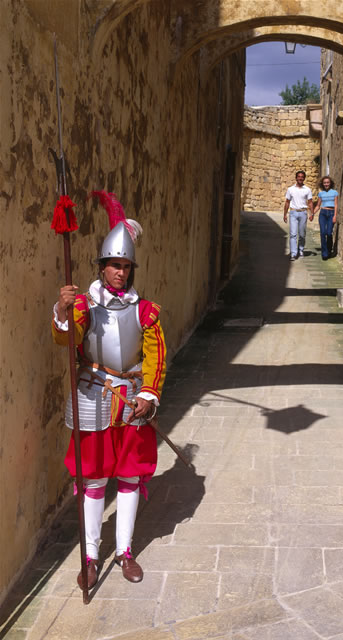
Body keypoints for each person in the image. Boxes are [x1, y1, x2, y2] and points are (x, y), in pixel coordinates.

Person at [52, 191, 166, 587]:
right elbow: (68, 340)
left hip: (131, 399)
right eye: (113, 266)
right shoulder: (84, 305)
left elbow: (156, 358)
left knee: (132, 476)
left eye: (125, 266)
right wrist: (64, 312)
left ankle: (125, 551)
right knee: (95, 479)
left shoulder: (144, 310)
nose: (120, 272)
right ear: (101, 267)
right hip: (93, 394)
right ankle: (90, 556)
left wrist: (147, 395)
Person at [283, 170, 314, 260]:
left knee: (302, 234)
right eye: (299, 177)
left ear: (304, 178)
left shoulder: (307, 190)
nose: (300, 178)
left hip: (303, 213)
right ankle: (293, 253)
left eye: (302, 177)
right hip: (293, 213)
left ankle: (300, 250)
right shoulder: (290, 189)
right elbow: (287, 202)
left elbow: (310, 202)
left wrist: (311, 213)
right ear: (296, 178)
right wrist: (285, 214)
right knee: (293, 234)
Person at [313, 175, 339, 260]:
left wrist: (335, 216)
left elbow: (336, 205)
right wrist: (312, 213)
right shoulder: (321, 194)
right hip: (323, 213)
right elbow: (318, 205)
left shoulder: (334, 192)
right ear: (322, 184)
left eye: (328, 182)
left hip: (331, 213)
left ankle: (329, 250)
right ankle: (324, 253)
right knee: (323, 233)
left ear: (330, 183)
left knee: (329, 233)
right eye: (325, 183)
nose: (326, 184)